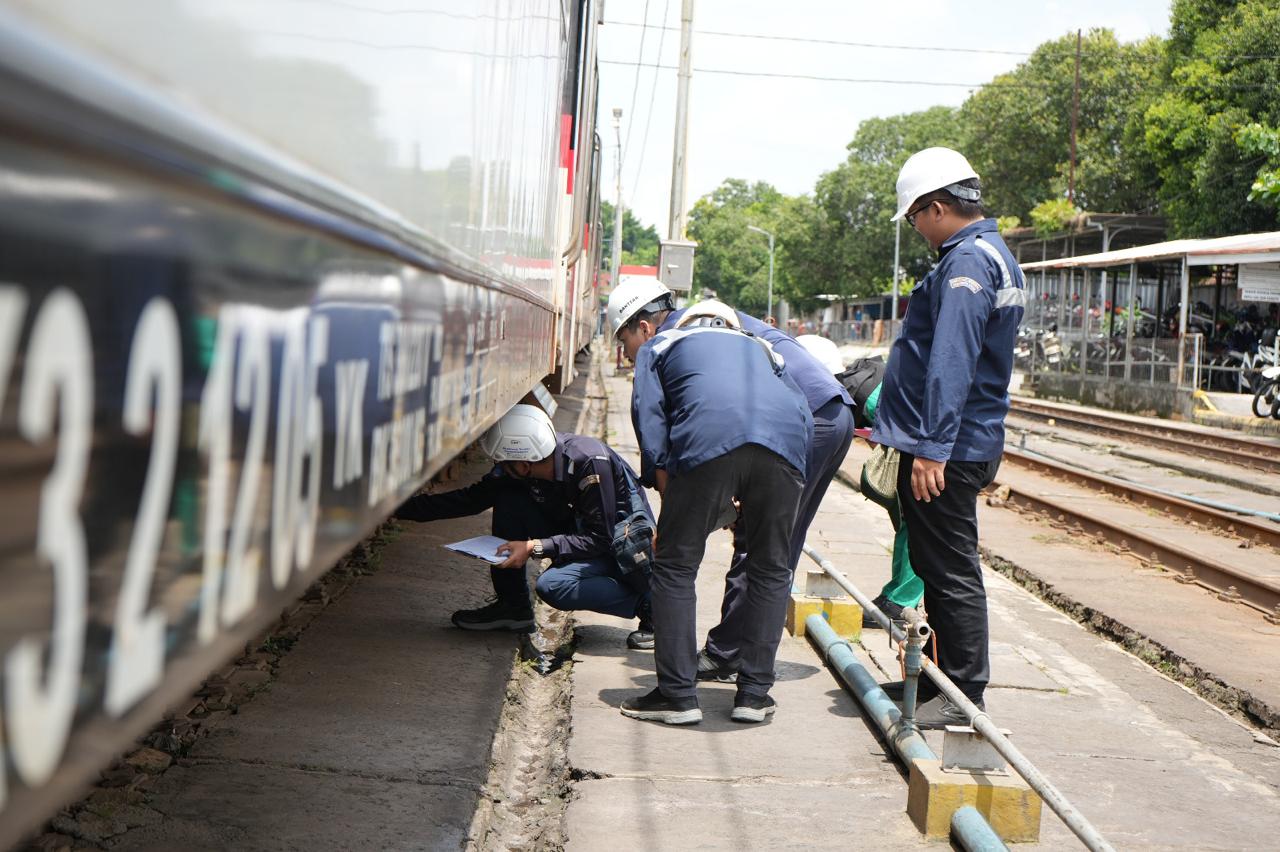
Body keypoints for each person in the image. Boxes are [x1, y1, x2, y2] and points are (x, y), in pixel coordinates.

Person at [606, 284, 813, 725]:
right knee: (771, 570)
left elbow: (650, 418)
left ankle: (677, 696)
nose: (627, 351)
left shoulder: (661, 344)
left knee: (676, 566)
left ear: (643, 327)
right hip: (786, 451)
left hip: (706, 442)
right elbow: (801, 412)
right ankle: (754, 696)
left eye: (624, 341)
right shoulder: (762, 348)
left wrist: (670, 492)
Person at [872, 146, 1025, 728]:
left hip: (950, 446)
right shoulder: (992, 254)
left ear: (936, 207)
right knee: (938, 567)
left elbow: (953, 360)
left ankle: (962, 697)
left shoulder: (966, 264)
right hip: (964, 440)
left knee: (950, 570)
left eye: (914, 217)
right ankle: (936, 681)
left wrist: (932, 447)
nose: (915, 230)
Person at [393, 403, 656, 648]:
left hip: (617, 544)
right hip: (580, 530)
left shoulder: (589, 463)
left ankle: (649, 604)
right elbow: (471, 500)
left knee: (553, 586)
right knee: (508, 499)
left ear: (523, 464)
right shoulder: (522, 469)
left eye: (501, 462)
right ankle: (513, 607)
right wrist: (396, 509)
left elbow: (599, 537)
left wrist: (535, 547)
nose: (498, 467)